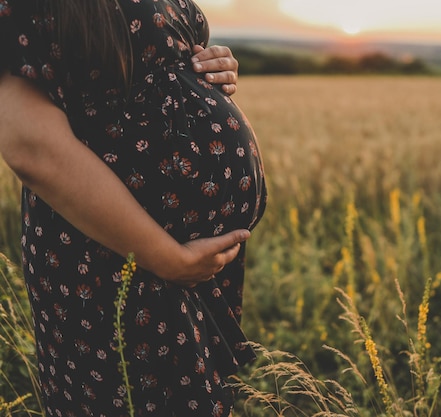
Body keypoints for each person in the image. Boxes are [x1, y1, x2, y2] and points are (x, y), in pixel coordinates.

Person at [0, 1, 267, 416]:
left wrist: (212, 66)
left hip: (175, 263)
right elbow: (29, 145)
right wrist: (168, 258)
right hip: (114, 259)